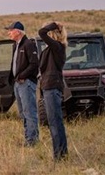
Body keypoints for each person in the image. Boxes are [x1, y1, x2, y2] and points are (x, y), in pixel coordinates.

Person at [5, 21, 39, 147]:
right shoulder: (16, 45)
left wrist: (23, 76)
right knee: (23, 113)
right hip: (17, 84)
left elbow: (34, 64)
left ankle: (32, 141)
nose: (9, 32)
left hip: (26, 83)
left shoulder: (28, 44)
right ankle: (28, 139)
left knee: (29, 112)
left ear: (18, 31)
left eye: (10, 30)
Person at [38, 21, 68, 161]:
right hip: (49, 87)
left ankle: (59, 156)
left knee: (54, 123)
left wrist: (53, 24)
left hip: (52, 87)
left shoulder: (57, 47)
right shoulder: (53, 49)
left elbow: (41, 32)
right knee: (56, 122)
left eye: (49, 32)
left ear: (52, 33)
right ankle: (62, 154)